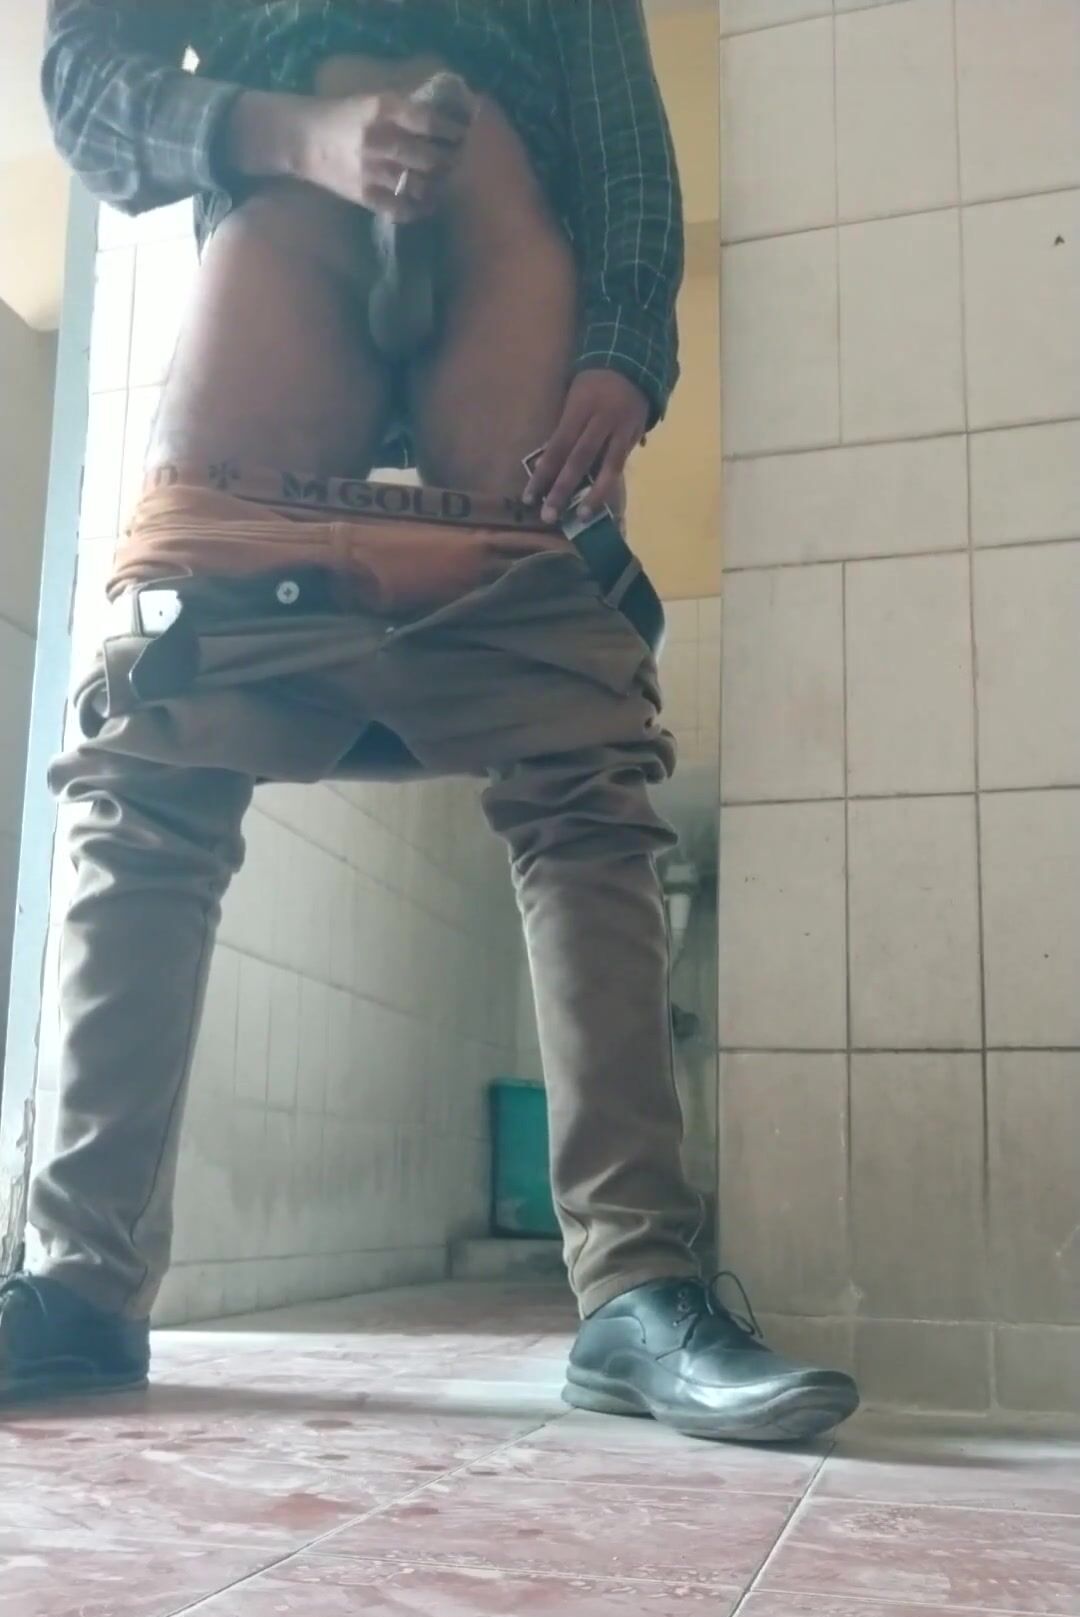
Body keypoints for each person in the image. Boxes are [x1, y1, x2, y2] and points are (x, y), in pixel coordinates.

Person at [0, 0, 858, 1442]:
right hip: (276, 298)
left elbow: (627, 153)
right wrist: (297, 136)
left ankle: (638, 1291)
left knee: (587, 791)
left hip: (508, 344)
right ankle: (78, 1285)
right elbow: (86, 79)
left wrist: (626, 351)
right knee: (147, 776)